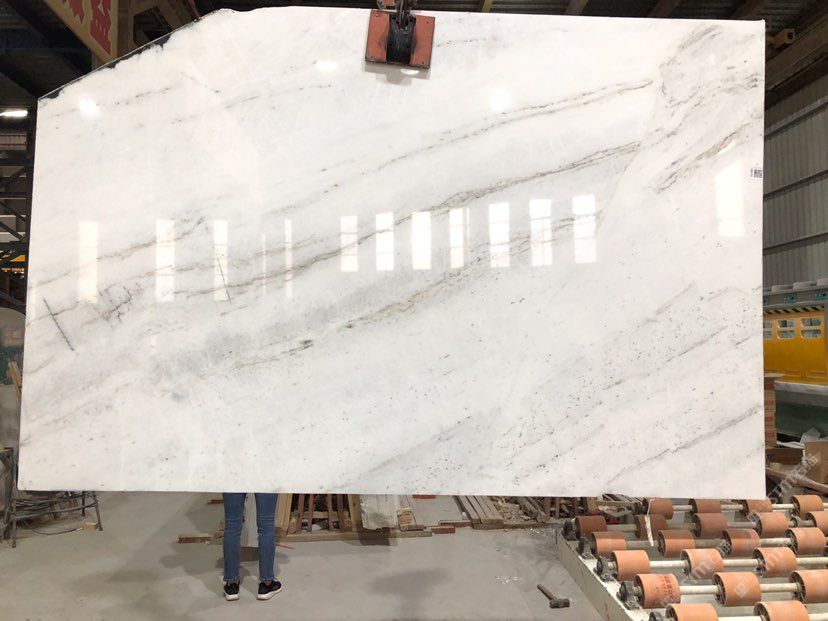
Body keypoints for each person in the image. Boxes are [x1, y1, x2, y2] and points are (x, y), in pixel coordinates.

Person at [221, 493, 283, 601]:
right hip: (265, 481)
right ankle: (267, 584)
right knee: (266, 526)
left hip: (233, 481)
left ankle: (231, 584)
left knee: (232, 526)